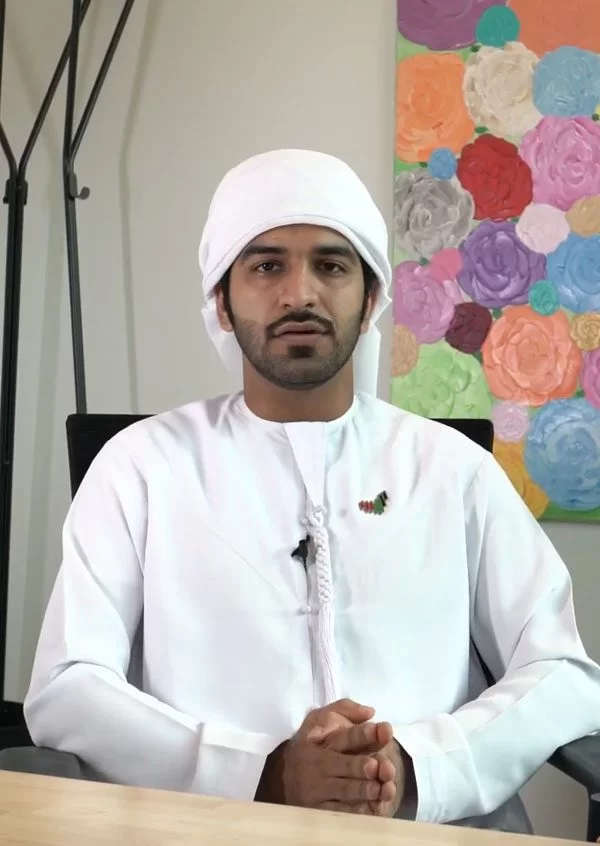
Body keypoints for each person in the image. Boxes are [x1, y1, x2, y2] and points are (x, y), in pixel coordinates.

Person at [23, 149, 600, 829]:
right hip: (211, 830)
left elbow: (563, 671)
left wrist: (416, 767)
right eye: (267, 266)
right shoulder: (141, 467)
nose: (299, 293)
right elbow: (67, 687)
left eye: (331, 265)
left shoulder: (452, 470)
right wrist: (263, 772)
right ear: (222, 301)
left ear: (370, 298)